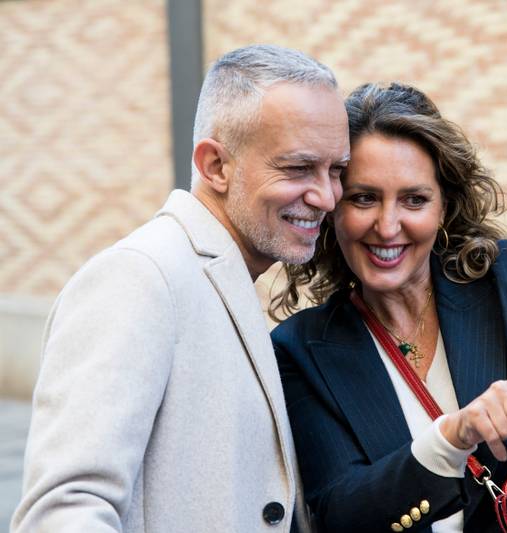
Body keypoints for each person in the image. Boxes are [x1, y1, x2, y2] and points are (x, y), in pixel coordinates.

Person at [270, 82, 507, 532]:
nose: (388, 226)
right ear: (333, 208)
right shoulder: (299, 349)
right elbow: (339, 513)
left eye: (414, 199)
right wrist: (453, 437)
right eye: (364, 197)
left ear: (445, 206)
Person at [11, 44, 350, 533]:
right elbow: (65, 510)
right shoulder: (136, 278)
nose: (326, 196)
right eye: (298, 168)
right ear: (214, 166)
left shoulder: (220, 272)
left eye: (336, 170)